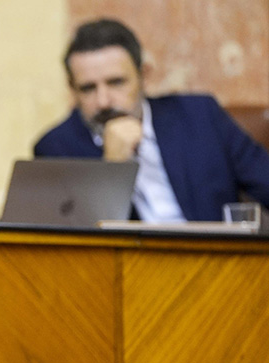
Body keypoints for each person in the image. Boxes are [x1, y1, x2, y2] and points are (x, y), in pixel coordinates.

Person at [33, 18, 269, 222]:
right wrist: (113, 167)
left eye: (116, 82)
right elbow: (75, 250)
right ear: (72, 89)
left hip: (217, 264)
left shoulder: (199, 115)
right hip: (132, 271)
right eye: (88, 88)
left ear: (144, 75)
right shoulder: (56, 147)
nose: (103, 101)